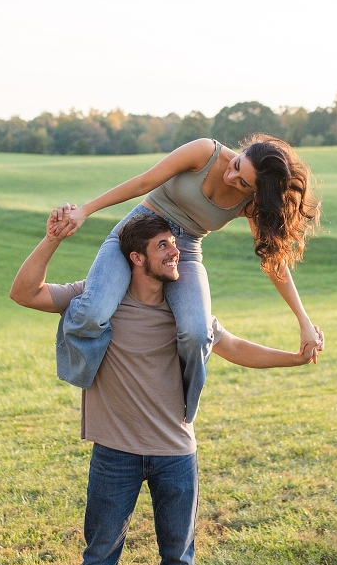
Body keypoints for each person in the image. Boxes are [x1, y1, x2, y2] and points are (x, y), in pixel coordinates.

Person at [10, 211, 322, 565]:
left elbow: (233, 346)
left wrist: (292, 360)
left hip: (177, 453)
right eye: (163, 246)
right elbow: (24, 293)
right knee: (98, 559)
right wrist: (52, 239)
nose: (176, 251)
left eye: (173, 243)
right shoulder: (97, 300)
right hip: (114, 453)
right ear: (136, 258)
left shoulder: (186, 311)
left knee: (179, 560)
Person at [51, 135, 322, 425]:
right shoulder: (205, 152)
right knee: (92, 312)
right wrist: (85, 211)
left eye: (244, 183)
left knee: (196, 334)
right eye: (236, 165)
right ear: (242, 152)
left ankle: (180, 416)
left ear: (257, 191)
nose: (232, 177)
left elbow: (273, 262)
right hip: (138, 231)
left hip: (186, 251)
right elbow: (144, 182)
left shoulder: (251, 203)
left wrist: (303, 321)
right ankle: (89, 376)